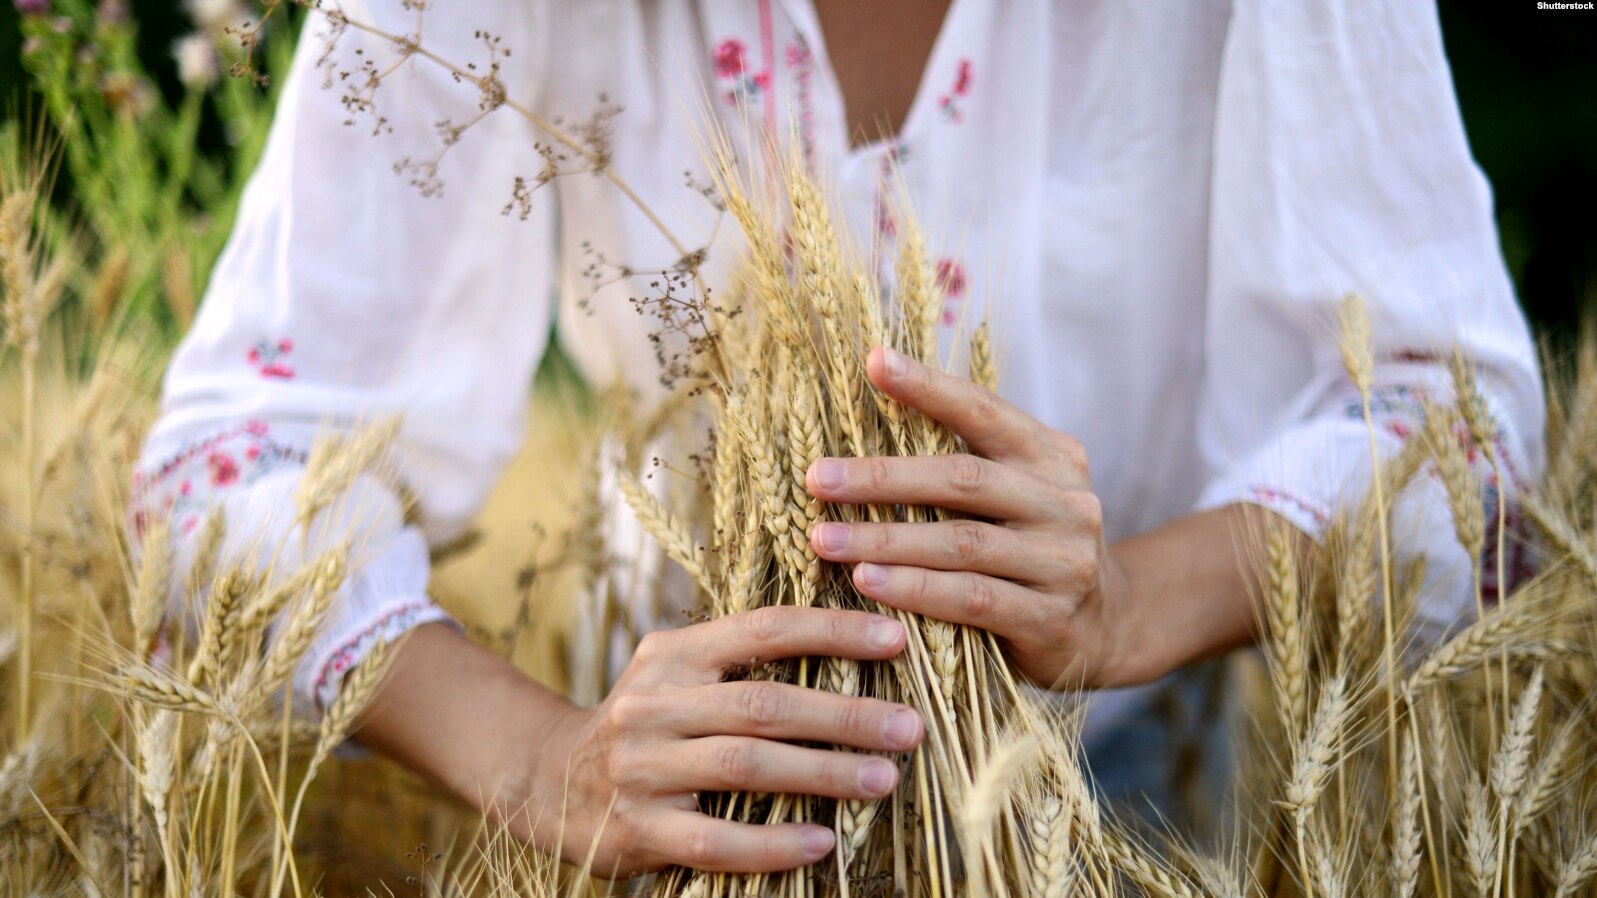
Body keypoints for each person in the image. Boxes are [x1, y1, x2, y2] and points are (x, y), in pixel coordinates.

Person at [131, 0, 1544, 879]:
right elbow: (222, 471)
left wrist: (1125, 604)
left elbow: (1462, 434)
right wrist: (545, 760)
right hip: (695, 817)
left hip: (1149, 803)